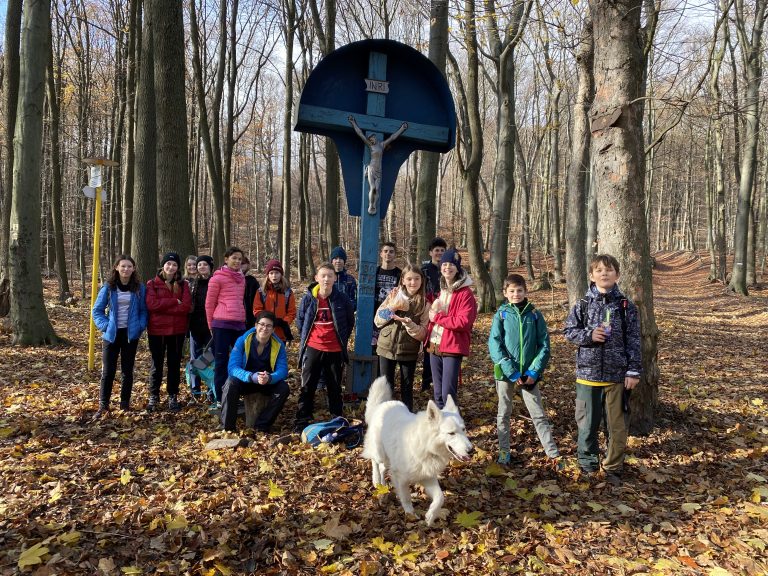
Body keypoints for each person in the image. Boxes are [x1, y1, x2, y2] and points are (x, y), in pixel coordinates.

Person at [563, 254, 641, 486]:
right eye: (598, 270)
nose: (604, 273)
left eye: (608, 270)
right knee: (586, 424)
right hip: (587, 376)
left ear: (617, 274)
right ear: (591, 275)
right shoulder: (583, 304)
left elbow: (634, 340)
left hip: (617, 377)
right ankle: (587, 464)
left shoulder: (626, 306)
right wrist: (589, 335)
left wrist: (633, 371)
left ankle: (613, 467)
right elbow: (568, 331)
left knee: (616, 427)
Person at [488, 274, 561, 467]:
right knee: (504, 412)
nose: (516, 294)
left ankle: (552, 453)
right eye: (511, 291)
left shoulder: (535, 314)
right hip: (505, 374)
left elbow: (544, 344)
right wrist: (511, 370)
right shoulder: (501, 314)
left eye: (519, 290)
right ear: (505, 293)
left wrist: (533, 372)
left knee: (538, 413)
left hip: (529, 376)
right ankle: (504, 451)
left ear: (525, 291)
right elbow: (495, 345)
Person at [294, 263, 355, 431]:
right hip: (313, 347)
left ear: (335, 278)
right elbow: (301, 322)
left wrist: (340, 338)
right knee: (308, 386)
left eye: (330, 276)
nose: (326, 279)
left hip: (334, 349)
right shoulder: (309, 298)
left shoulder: (341, 298)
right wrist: (311, 339)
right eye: (323, 275)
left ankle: (337, 419)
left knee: (334, 387)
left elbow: (349, 322)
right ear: (317, 278)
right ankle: (301, 421)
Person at [91, 255, 148, 417]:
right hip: (111, 335)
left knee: (127, 371)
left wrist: (140, 326)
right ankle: (103, 405)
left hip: (130, 335)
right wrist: (105, 326)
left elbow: (144, 310)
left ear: (134, 269)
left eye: (129, 266)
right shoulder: (109, 288)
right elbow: (97, 311)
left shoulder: (139, 288)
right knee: (108, 371)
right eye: (123, 266)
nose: (126, 269)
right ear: (116, 267)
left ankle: (124, 404)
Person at [220, 311, 290, 432]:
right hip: (246, 381)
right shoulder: (243, 340)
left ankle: (262, 426)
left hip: (266, 382)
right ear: (256, 325)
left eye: (269, 326)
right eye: (262, 324)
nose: (264, 328)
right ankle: (227, 428)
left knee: (284, 388)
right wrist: (251, 376)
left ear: (273, 329)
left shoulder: (278, 345)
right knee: (230, 383)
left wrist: (270, 378)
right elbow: (233, 368)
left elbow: (283, 370)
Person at [426, 249, 477, 409]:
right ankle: (442, 429)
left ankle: (454, 428)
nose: (447, 267)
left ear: (458, 268)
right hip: (435, 345)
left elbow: (464, 322)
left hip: (452, 347)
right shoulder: (442, 290)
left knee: (448, 394)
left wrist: (438, 318)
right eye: (444, 264)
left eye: (452, 265)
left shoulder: (465, 293)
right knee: (438, 393)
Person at [374, 265, 429, 411]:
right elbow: (378, 321)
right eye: (409, 279)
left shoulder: (424, 303)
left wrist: (410, 325)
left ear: (422, 281)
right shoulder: (393, 295)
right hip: (386, 347)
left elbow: (423, 333)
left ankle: (407, 420)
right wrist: (392, 307)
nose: (413, 282)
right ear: (403, 280)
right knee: (386, 386)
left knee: (407, 386)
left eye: (417, 279)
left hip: (409, 350)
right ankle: (385, 418)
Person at [145, 252, 192, 412]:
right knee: (156, 364)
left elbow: (185, 306)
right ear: (163, 265)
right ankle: (154, 395)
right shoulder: (152, 284)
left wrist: (164, 307)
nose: (171, 267)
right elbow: (152, 305)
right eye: (168, 264)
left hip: (177, 331)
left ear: (178, 267)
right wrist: (173, 302)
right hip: (157, 331)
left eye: (174, 265)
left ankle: (173, 395)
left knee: (173, 365)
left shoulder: (184, 285)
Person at [206, 247, 247, 405]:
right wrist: (211, 326)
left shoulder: (241, 278)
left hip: (239, 324)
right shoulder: (217, 278)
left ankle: (235, 394)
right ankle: (219, 397)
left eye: (239, 259)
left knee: (239, 360)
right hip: (221, 324)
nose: (237, 261)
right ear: (226, 259)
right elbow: (209, 304)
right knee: (221, 361)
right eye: (234, 258)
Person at [348, 115, 408, 215]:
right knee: (373, 188)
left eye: (374, 137)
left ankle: (374, 204)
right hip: (371, 168)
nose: (373, 139)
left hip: (379, 170)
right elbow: (360, 134)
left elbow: (393, 137)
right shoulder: (370, 146)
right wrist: (353, 122)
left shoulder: (382, 145)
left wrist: (402, 129)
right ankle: (371, 205)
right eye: (371, 139)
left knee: (377, 190)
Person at [420, 237, 447, 392]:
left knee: (444, 347)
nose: (439, 253)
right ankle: (427, 381)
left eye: (442, 250)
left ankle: (441, 380)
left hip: (445, 314)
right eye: (436, 250)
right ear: (431, 252)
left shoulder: (449, 269)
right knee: (428, 348)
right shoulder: (424, 271)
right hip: (428, 313)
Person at [188, 255, 214, 400]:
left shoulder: (215, 282)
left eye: (205, 264)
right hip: (195, 327)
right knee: (194, 359)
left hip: (211, 328)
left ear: (210, 266)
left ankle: (211, 391)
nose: (202, 267)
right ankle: (195, 391)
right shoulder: (192, 284)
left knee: (209, 359)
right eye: (199, 265)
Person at [252, 259, 296, 343]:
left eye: (277, 273)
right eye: (271, 273)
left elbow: (292, 312)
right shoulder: (261, 292)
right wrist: (268, 321)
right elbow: (257, 310)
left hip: (281, 333)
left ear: (281, 274)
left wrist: (284, 322)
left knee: (278, 355)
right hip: (264, 331)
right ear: (268, 275)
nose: (274, 276)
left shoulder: (288, 292)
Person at [372, 242, 401, 346]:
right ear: (381, 254)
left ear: (395, 255)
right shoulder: (375, 272)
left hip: (391, 316)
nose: (388, 253)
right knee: (374, 346)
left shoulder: (400, 274)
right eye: (385, 251)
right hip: (375, 315)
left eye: (391, 252)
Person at [330, 246, 357, 310]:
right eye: (336, 258)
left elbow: (354, 300)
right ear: (332, 261)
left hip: (345, 315)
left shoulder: (350, 280)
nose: (338, 261)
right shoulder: (327, 278)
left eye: (341, 258)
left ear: (344, 261)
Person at [241, 255, 261, 330]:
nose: (241, 265)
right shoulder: (230, 280)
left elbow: (257, 300)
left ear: (247, 265)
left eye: (243, 263)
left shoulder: (252, 281)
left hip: (250, 317)